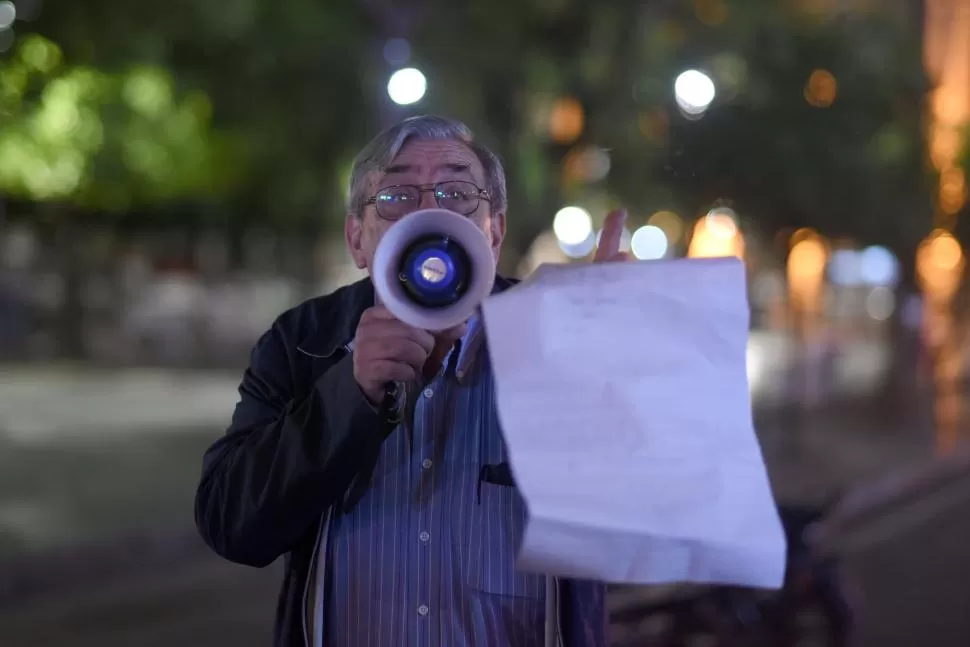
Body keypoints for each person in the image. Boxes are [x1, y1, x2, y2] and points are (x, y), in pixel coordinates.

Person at [194, 115, 629, 647]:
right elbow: (231, 524)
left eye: (458, 193)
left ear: (494, 233)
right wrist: (349, 395)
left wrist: (629, 370)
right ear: (357, 240)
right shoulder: (302, 342)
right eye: (397, 196)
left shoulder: (557, 336)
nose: (429, 214)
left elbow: (643, 517)